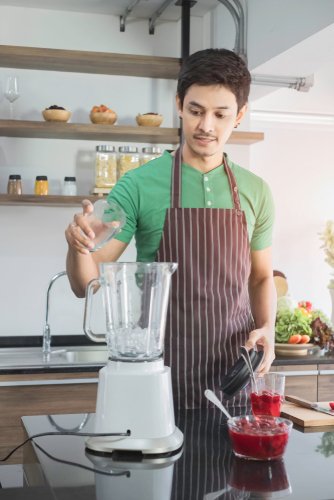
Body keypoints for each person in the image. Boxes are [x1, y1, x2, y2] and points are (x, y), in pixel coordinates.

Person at [65, 48, 276, 409]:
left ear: (239, 115)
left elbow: (259, 278)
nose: (206, 125)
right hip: (157, 370)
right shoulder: (137, 184)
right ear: (179, 104)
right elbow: (87, 283)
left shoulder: (256, 190)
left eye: (220, 114)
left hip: (234, 374)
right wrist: (78, 245)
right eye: (195, 111)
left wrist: (268, 328)